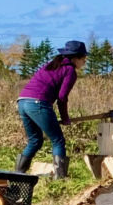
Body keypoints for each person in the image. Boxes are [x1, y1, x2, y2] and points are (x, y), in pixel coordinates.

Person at [15, 40, 88, 179]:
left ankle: (18, 175)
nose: (84, 62)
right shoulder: (70, 70)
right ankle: (60, 178)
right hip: (38, 103)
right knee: (58, 140)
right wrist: (65, 117)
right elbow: (62, 97)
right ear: (75, 58)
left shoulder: (52, 64)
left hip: (22, 101)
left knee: (35, 140)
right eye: (83, 58)